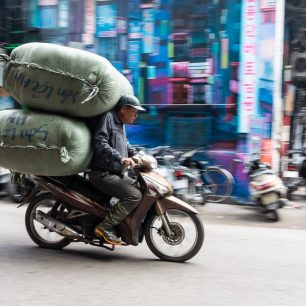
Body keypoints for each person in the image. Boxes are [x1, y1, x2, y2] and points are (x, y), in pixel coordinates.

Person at [88, 95, 146, 245]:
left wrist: (138, 155)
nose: (136, 115)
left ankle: (122, 223)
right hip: (102, 174)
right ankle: (104, 227)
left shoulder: (120, 124)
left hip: (117, 173)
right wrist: (121, 158)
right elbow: (100, 142)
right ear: (123, 109)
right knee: (134, 195)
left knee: (140, 188)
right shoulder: (108, 118)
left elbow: (125, 144)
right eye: (134, 111)